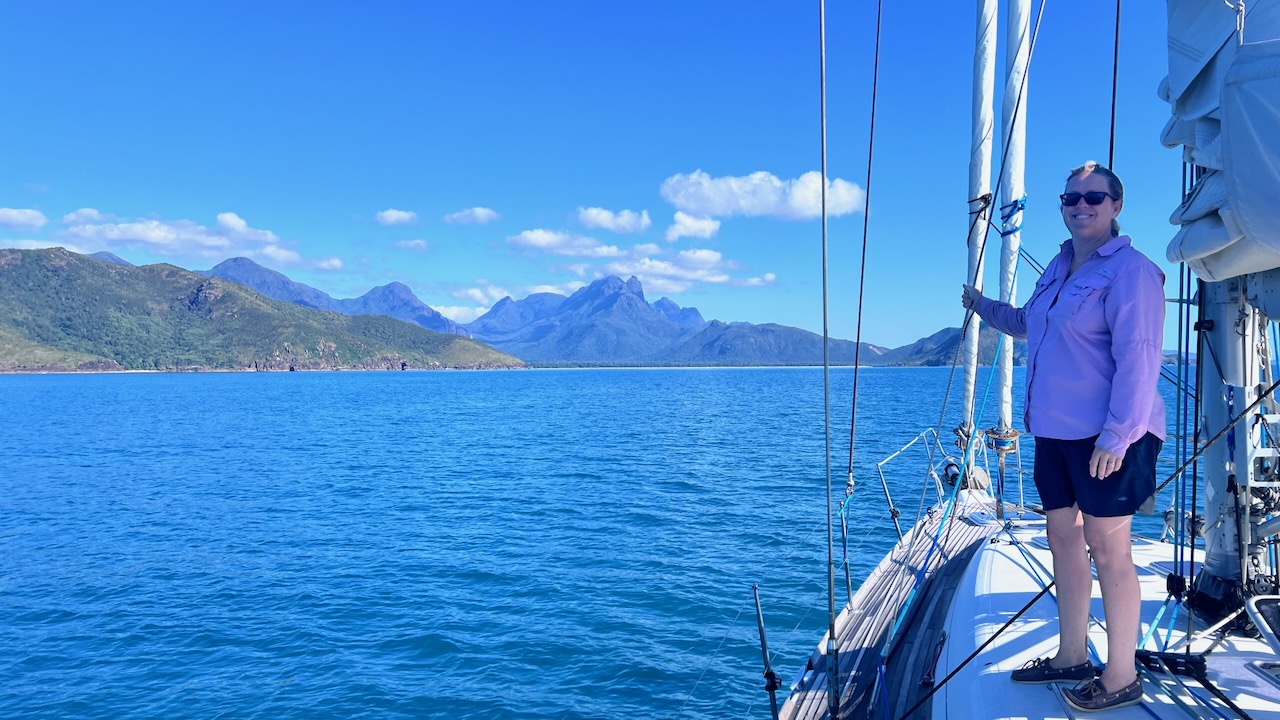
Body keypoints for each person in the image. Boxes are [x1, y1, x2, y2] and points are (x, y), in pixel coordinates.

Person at [961, 161, 1165, 712]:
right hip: (1056, 434)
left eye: (1094, 196)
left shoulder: (1132, 272)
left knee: (1109, 551)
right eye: (1071, 197)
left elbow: (1140, 360)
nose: (1081, 205)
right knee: (1062, 540)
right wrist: (980, 306)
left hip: (1110, 436)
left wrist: (1116, 438)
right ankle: (1070, 654)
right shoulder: (1058, 266)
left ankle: (1121, 675)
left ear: (1116, 206)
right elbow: (1032, 322)